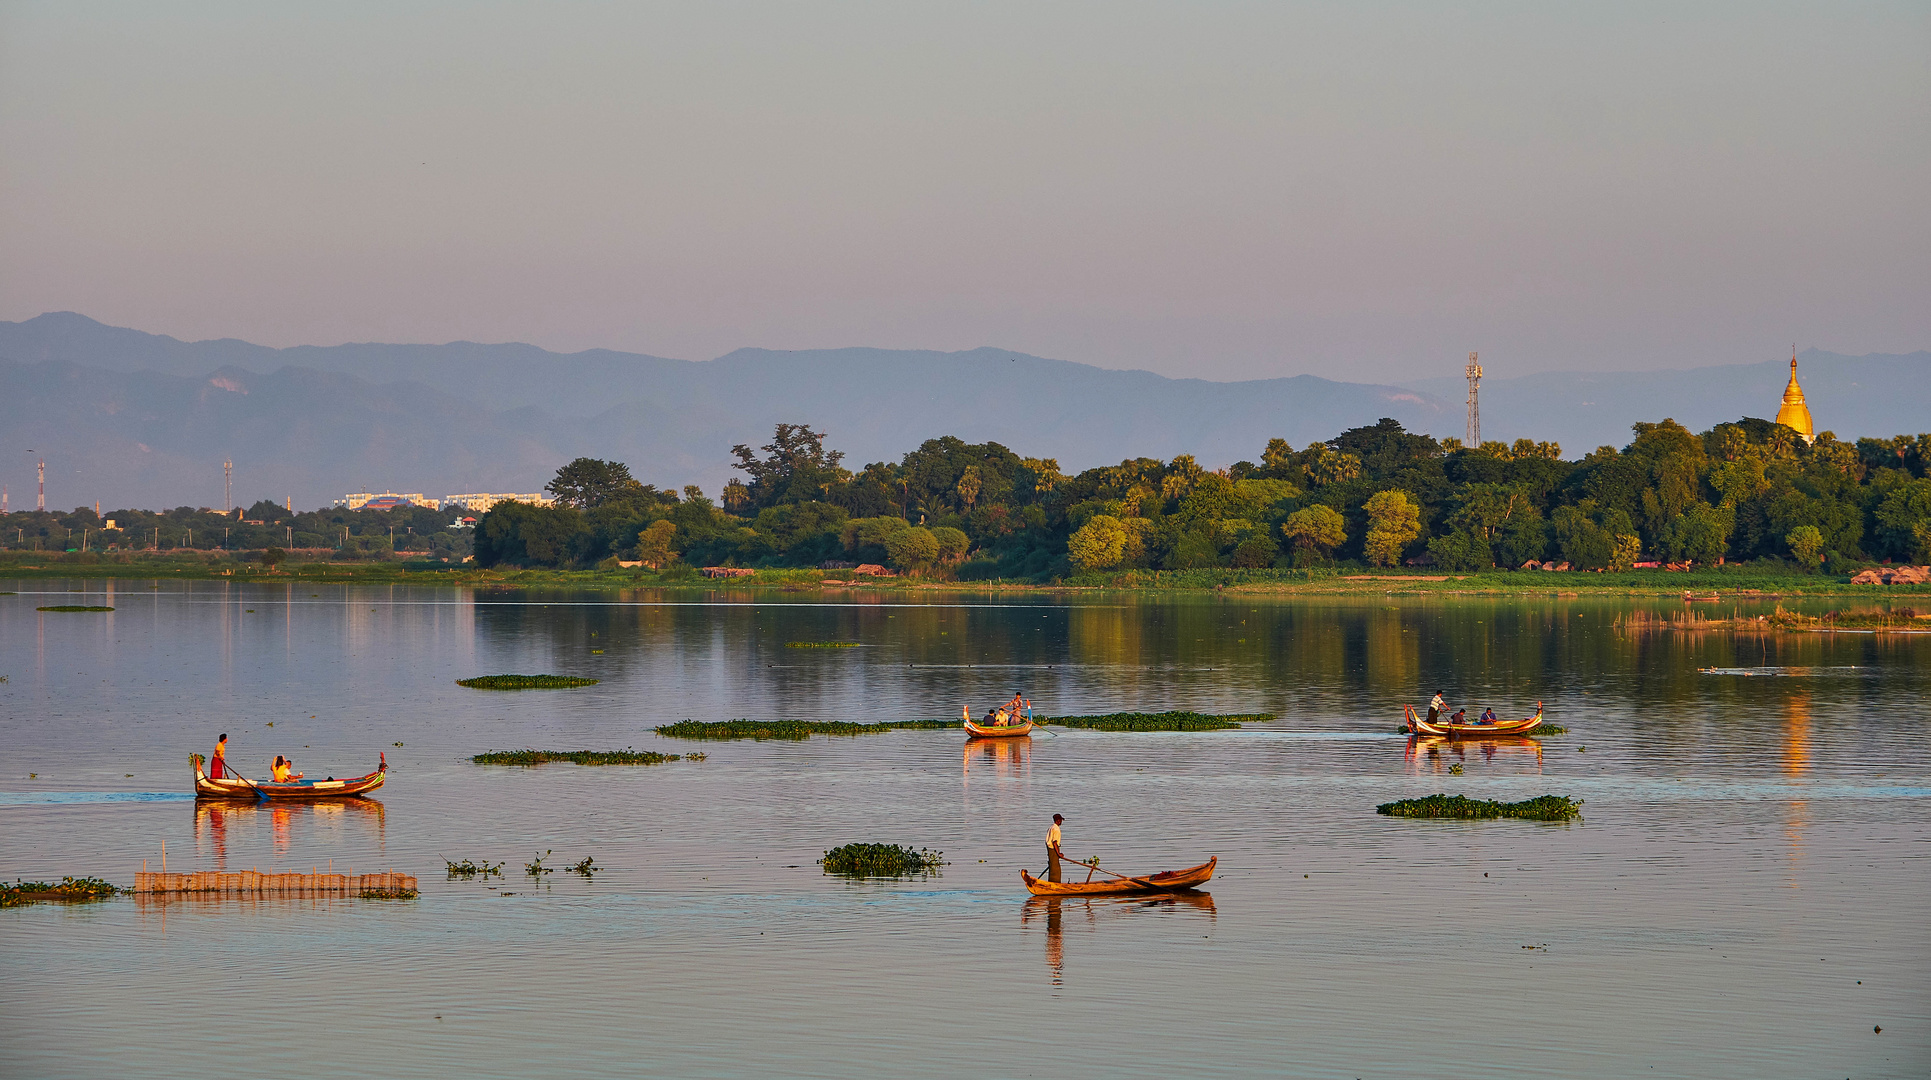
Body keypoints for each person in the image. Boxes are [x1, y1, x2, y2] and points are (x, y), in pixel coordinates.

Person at [1046, 814, 1065, 883]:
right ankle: (1055, 884)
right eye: (1061, 820)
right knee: (1056, 869)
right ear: (1058, 821)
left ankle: (1051, 883)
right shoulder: (1056, 829)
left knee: (1052, 867)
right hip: (1053, 849)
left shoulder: (1051, 827)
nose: (1061, 822)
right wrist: (1058, 853)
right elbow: (1054, 843)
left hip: (1050, 850)